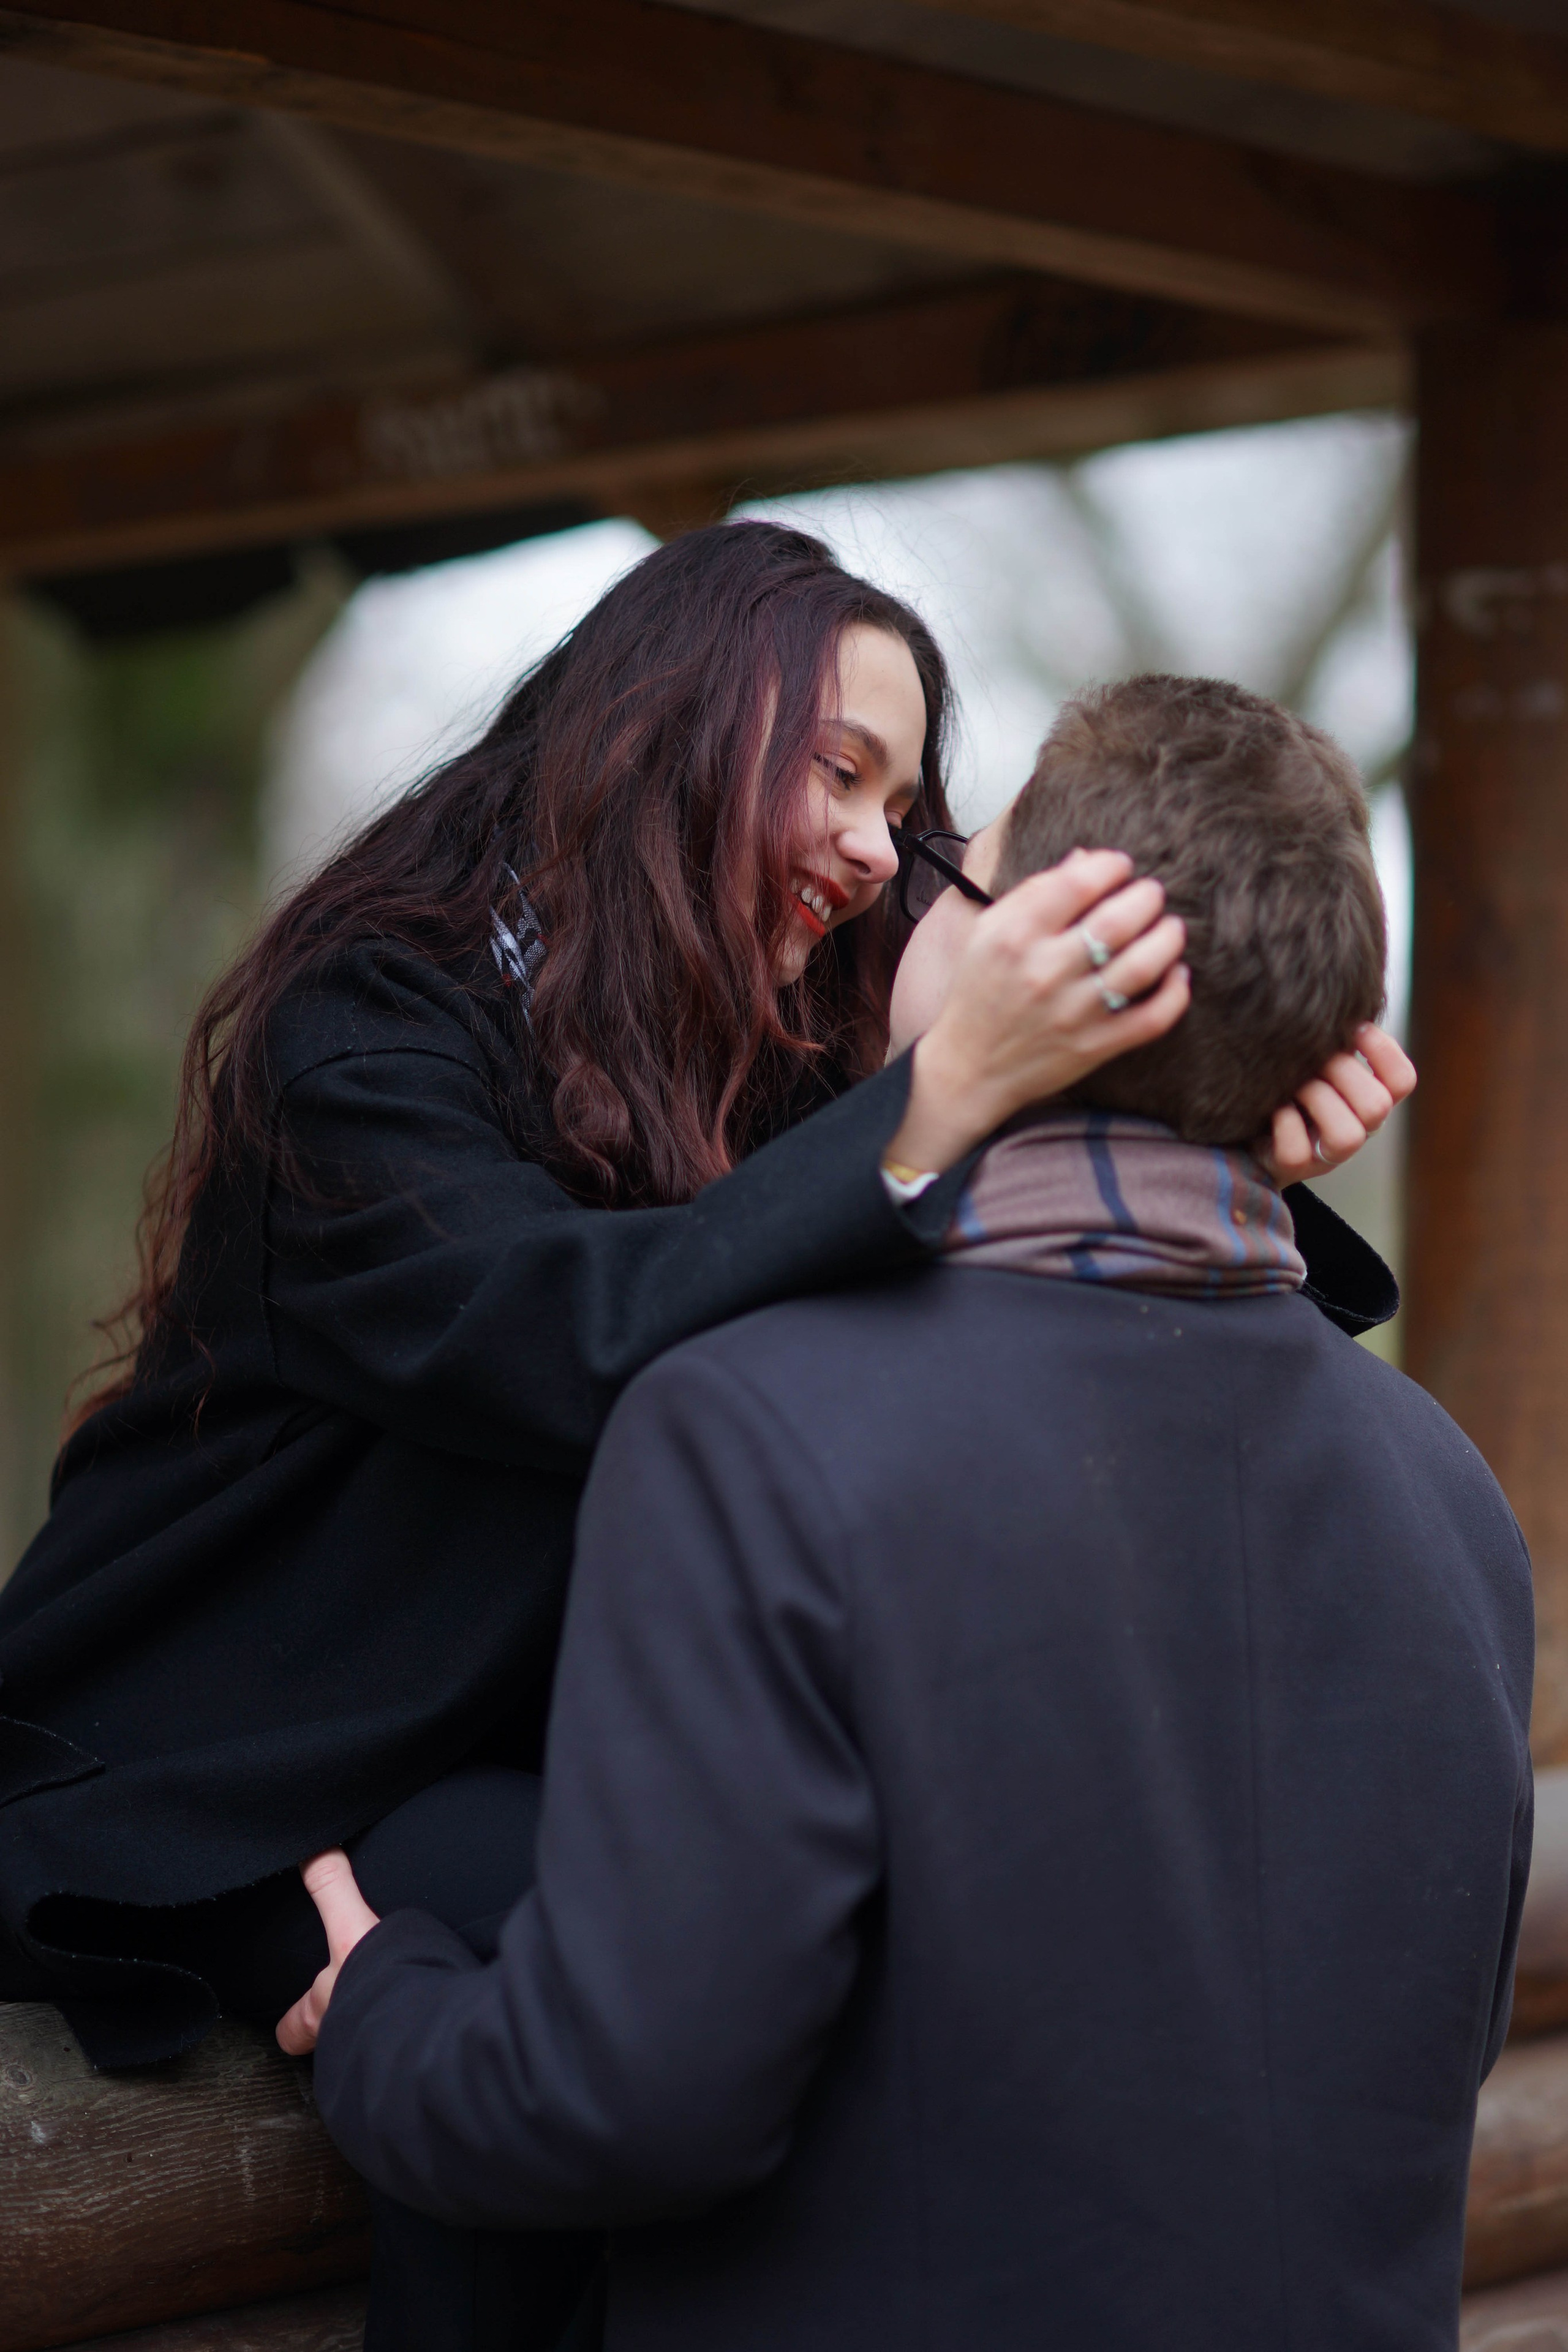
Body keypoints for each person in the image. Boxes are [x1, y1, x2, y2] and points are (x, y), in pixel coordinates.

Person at [0, 527, 1398, 2345]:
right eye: (836, 774)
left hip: (491, 1762)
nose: (871, 850)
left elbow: (997, 1245)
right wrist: (949, 1086)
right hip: (213, 1780)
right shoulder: (371, 1028)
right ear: (671, 720)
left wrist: (1234, 1140)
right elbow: (573, 1338)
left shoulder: (775, 1069)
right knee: (538, 1940)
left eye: (905, 810)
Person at [288, 677, 1528, 2352]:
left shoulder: (755, 1429)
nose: (904, 894)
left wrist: (385, 2005)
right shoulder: (1450, 1495)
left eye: (958, 867)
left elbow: (631, 2105)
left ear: (1047, 951)